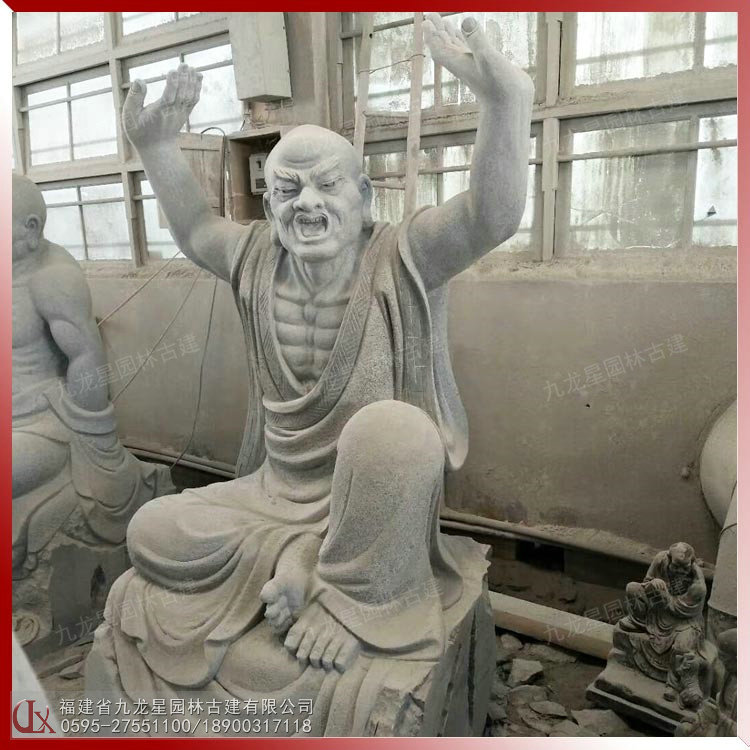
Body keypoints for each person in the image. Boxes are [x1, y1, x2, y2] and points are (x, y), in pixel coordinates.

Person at [87, 14, 533, 733]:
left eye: (327, 186)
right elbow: (196, 229)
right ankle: (298, 562)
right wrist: (155, 146)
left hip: (372, 503)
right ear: (269, 203)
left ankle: (349, 594)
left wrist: (505, 100)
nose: (308, 205)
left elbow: (491, 217)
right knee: (150, 529)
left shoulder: (402, 255)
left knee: (395, 432)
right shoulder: (255, 258)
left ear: (364, 198)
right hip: (274, 495)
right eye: (289, 190)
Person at [12, 174, 173, 578]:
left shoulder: (51, 279)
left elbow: (86, 356)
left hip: (38, 425)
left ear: (29, 228)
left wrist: (96, 442)